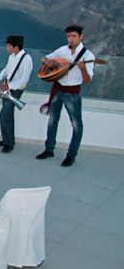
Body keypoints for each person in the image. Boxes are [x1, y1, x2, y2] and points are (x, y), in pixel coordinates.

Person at [36, 24, 95, 167]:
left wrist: (83, 70)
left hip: (72, 94)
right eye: (69, 36)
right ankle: (49, 149)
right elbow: (45, 58)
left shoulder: (88, 56)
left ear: (81, 36)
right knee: (52, 120)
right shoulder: (63, 50)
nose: (71, 39)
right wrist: (47, 61)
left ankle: (71, 155)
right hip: (58, 89)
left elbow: (87, 81)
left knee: (76, 125)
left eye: (74, 36)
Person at [0, 35, 33, 154]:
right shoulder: (12, 57)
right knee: (7, 114)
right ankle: (7, 140)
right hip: (9, 88)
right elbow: (7, 69)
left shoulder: (27, 59)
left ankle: (9, 142)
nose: (7, 48)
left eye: (9, 45)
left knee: (5, 114)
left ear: (16, 47)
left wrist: (9, 86)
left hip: (16, 90)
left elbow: (23, 80)